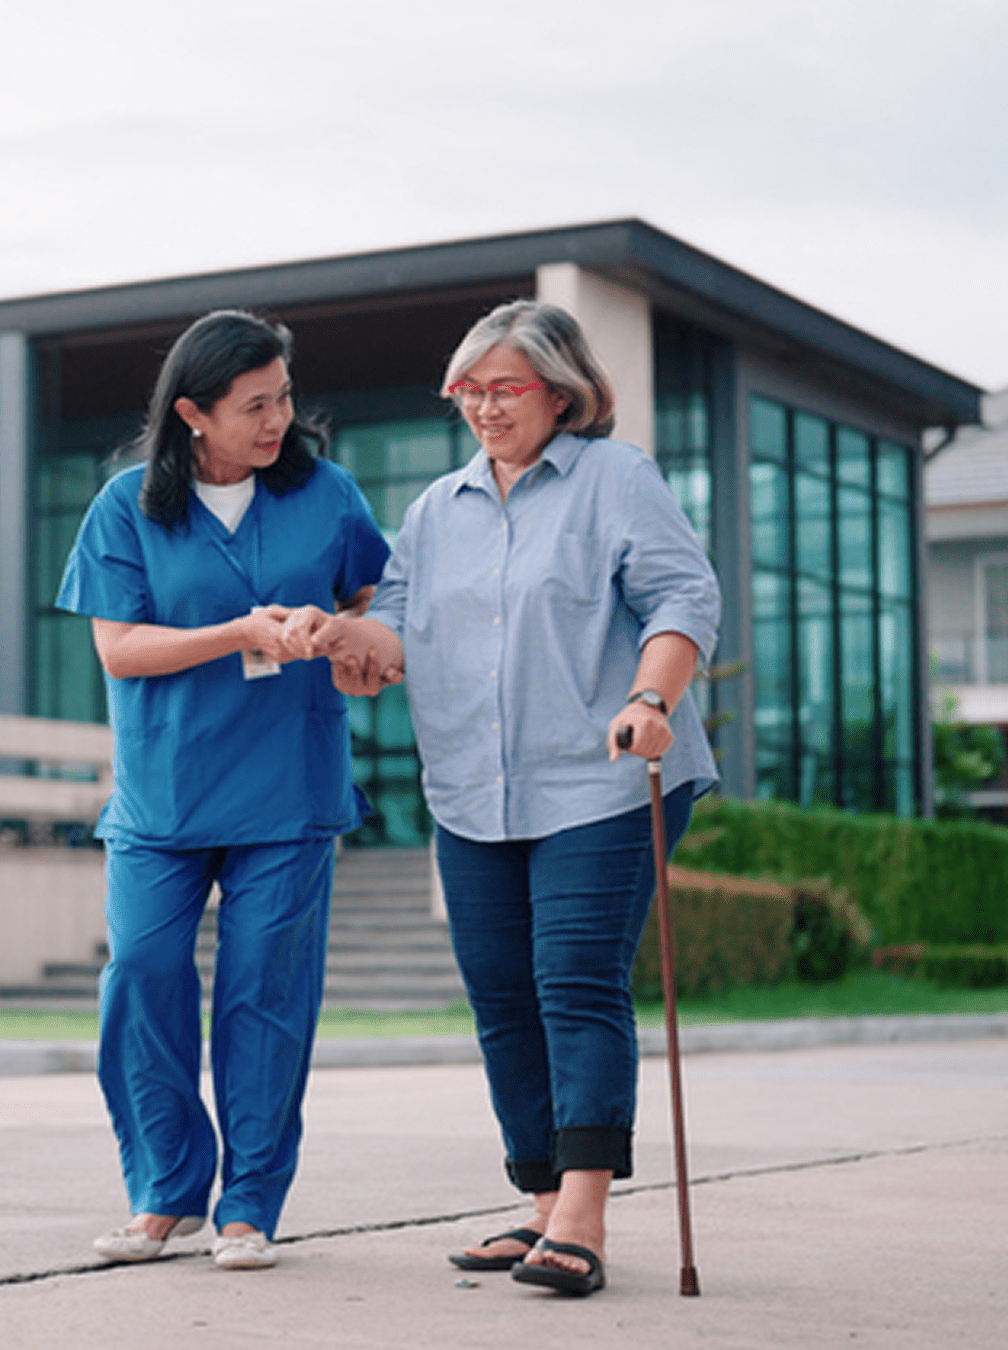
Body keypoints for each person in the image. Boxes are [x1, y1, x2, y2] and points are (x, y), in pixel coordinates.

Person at [288, 300, 720, 1297]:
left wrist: (652, 695)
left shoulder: (617, 479)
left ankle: (581, 1216)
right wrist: (339, 637)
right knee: (501, 995)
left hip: (603, 777)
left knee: (572, 978)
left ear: (561, 393)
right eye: (467, 390)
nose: (482, 407)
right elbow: (396, 629)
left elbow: (683, 595)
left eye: (503, 387)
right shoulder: (437, 509)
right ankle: (536, 1204)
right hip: (473, 790)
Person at [57, 310, 389, 1270]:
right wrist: (242, 632)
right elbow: (120, 649)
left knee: (264, 995)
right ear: (194, 413)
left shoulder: (326, 494)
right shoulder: (127, 507)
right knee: (143, 978)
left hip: (289, 786)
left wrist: (335, 631)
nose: (279, 417)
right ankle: (165, 1191)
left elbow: (371, 597)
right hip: (165, 793)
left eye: (283, 396)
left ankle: (248, 1205)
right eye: (255, 405)